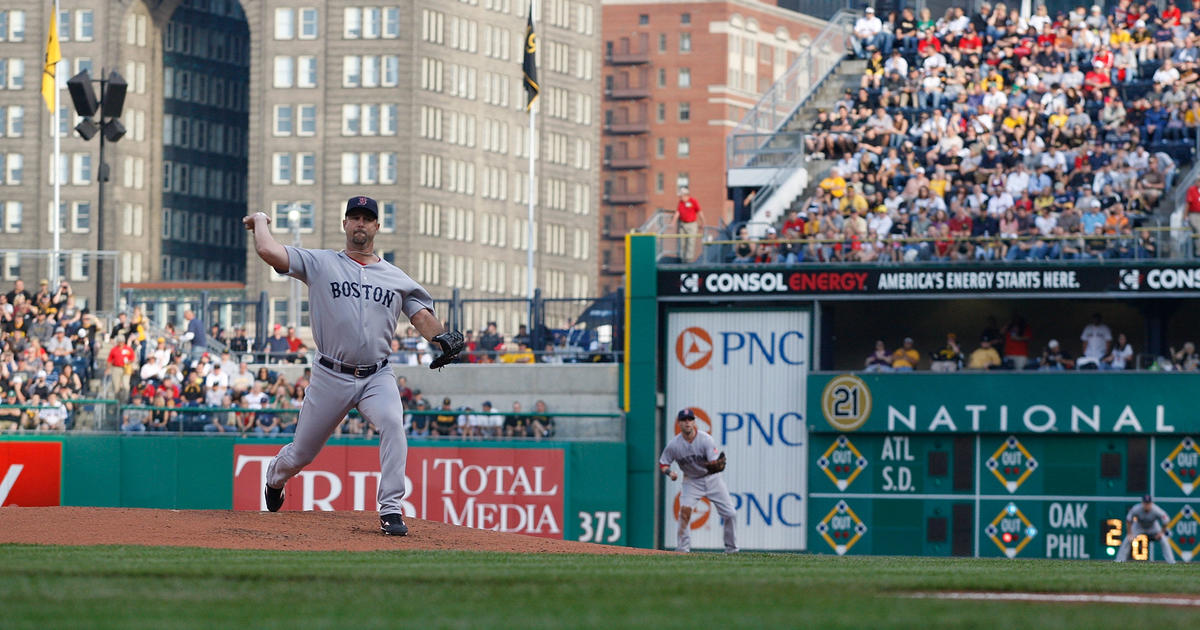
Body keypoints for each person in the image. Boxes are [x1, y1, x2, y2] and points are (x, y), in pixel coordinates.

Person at [244, 195, 464, 536]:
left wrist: (442, 338)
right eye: (354, 217)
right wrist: (260, 222)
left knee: (393, 423)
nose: (360, 223)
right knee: (301, 454)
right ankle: (275, 477)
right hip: (330, 374)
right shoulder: (321, 263)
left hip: (377, 374)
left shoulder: (395, 277)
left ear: (377, 226)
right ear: (344, 224)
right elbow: (269, 252)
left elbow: (421, 315)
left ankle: (391, 509)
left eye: (367, 218)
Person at [659, 407, 737, 553]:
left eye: (690, 419)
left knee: (730, 514)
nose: (687, 423)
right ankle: (683, 549)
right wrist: (670, 473)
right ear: (679, 423)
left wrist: (714, 464)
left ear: (694, 422)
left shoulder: (705, 439)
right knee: (685, 512)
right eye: (684, 420)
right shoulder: (674, 445)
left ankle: (732, 549)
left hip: (712, 479)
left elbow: (714, 463)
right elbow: (663, 463)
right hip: (692, 481)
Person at [1115, 495, 1176, 564]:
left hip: (1153, 528)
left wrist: (1161, 532)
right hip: (1139, 527)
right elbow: (1128, 520)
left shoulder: (1156, 509)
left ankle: (1171, 562)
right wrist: (1129, 533)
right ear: (1142, 503)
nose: (1147, 505)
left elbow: (1166, 520)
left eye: (1148, 503)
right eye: (1145, 503)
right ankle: (1119, 561)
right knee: (1127, 540)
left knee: (1164, 540)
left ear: (1151, 503)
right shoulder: (1136, 508)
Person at [675, 186, 702, 262]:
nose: (680, 197)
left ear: (686, 195)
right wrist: (673, 222)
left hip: (691, 224)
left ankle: (688, 259)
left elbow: (699, 211)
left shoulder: (693, 201)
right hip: (682, 224)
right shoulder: (681, 203)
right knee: (682, 242)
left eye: (681, 196)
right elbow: (678, 212)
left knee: (690, 242)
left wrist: (703, 222)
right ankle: (682, 258)